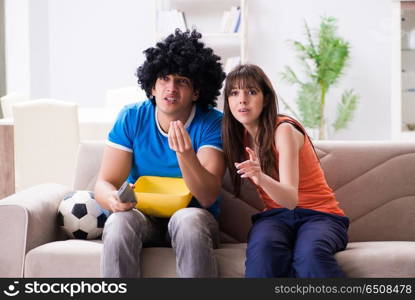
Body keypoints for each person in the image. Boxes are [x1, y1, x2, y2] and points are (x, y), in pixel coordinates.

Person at [94, 29, 226, 278]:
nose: (171, 88)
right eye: (164, 79)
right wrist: (112, 200)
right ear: (152, 87)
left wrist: (186, 154)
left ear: (196, 92)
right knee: (120, 221)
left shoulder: (212, 123)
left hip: (194, 216)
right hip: (143, 216)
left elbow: (207, 196)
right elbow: (105, 182)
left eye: (182, 81)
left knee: (187, 221)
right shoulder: (132, 117)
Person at [221, 64, 349, 278]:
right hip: (276, 218)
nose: (242, 99)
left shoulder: (284, 130)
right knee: (263, 254)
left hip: (320, 217)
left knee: (310, 255)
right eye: (234, 93)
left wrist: (260, 177)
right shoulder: (236, 137)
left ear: (267, 99)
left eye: (251, 92)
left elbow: (290, 199)